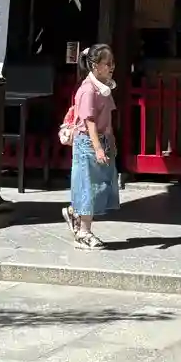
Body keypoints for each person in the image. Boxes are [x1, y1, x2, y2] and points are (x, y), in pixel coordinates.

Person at [62, 42, 119, 250]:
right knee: (88, 187)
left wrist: (110, 141)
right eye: (107, 63)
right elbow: (89, 121)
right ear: (95, 65)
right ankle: (83, 232)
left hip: (99, 140)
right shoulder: (88, 90)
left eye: (112, 63)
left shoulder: (103, 87)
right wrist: (98, 148)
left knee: (99, 185)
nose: (111, 67)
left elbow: (107, 118)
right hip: (87, 142)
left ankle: (75, 214)